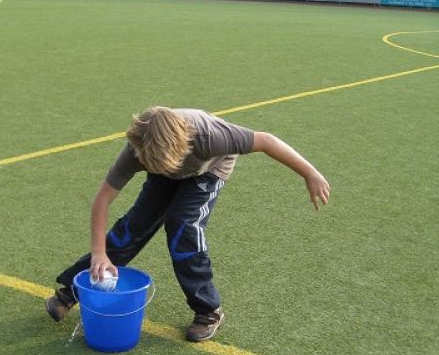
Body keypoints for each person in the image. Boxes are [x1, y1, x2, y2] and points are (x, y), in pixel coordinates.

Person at [45, 106, 331, 342]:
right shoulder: (139, 148)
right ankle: (73, 290)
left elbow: (266, 140)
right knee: (131, 229)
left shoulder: (211, 137)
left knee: (183, 229)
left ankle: (209, 311)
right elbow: (103, 199)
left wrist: (310, 173)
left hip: (209, 170)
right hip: (165, 168)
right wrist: (99, 253)